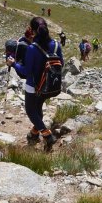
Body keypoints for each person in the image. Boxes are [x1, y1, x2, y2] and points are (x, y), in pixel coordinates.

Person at [9, 16, 61, 150]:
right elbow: (62, 63)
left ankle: (47, 135)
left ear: (32, 31)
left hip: (34, 86)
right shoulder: (56, 44)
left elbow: (26, 72)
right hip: (51, 85)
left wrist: (13, 64)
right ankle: (33, 133)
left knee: (31, 111)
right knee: (38, 108)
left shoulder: (32, 48)